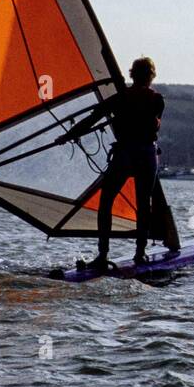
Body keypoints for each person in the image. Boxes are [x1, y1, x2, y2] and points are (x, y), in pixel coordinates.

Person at [59, 56, 173, 271]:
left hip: (127, 152)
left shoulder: (121, 99)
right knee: (143, 204)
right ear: (151, 76)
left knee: (107, 200)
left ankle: (103, 254)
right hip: (145, 153)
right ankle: (140, 253)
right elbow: (151, 122)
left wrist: (68, 136)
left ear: (132, 75)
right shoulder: (156, 99)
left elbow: (92, 119)